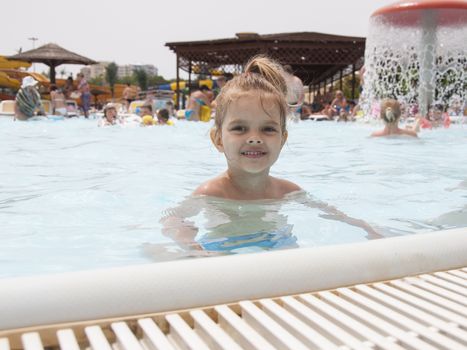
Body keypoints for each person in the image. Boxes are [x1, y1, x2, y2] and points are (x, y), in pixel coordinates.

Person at [159, 56, 380, 254]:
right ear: (218, 140)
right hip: (221, 251)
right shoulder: (212, 192)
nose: (254, 138)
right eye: (239, 128)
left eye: (268, 129)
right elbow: (171, 219)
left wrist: (367, 229)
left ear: (282, 140)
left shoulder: (287, 191)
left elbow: (334, 214)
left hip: (278, 246)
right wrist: (187, 239)